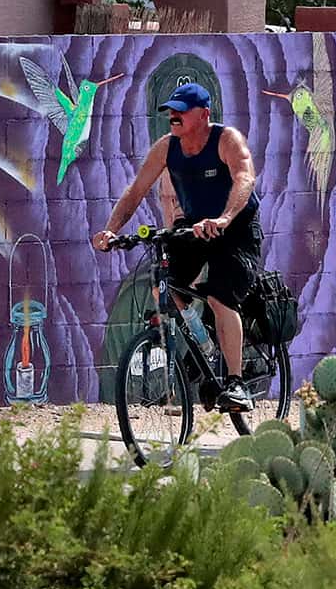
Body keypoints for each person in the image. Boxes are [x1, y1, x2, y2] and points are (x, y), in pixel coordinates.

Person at [93, 82, 262, 411]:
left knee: (219, 296)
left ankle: (237, 383)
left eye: (181, 110)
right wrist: (110, 231)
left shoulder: (227, 140)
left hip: (236, 228)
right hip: (194, 228)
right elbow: (135, 191)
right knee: (164, 285)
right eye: (171, 110)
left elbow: (245, 178)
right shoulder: (166, 148)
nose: (173, 115)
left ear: (204, 114)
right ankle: (204, 343)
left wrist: (225, 218)